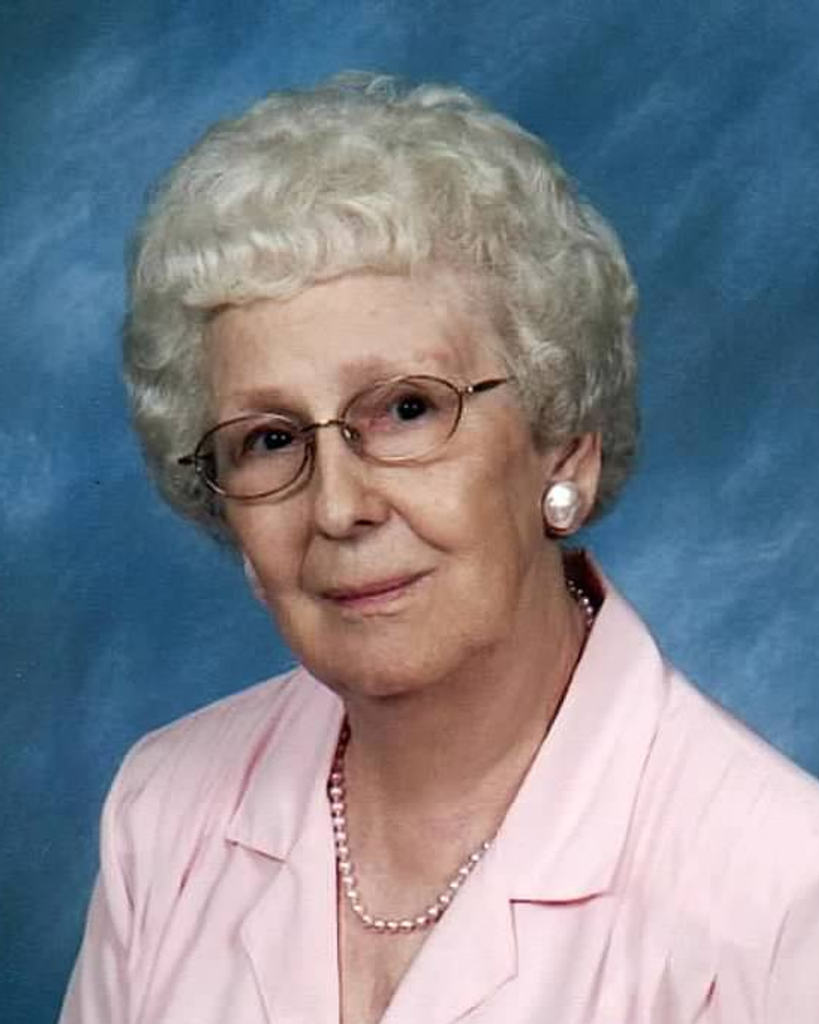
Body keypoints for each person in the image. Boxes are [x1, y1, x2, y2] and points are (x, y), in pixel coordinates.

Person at [60, 74, 819, 1024]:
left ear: (564, 448)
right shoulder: (165, 810)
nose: (339, 506)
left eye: (408, 409)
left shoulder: (779, 897)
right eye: (271, 439)